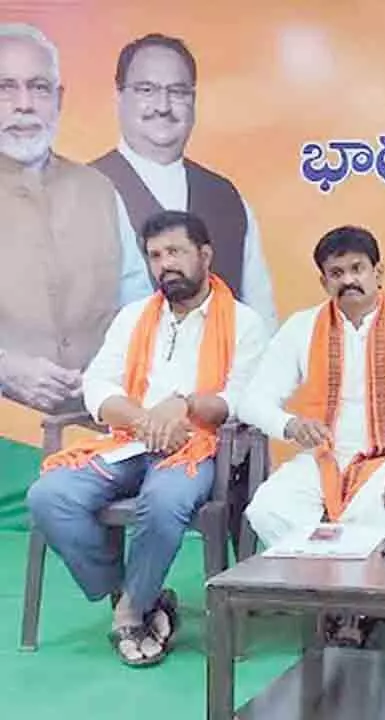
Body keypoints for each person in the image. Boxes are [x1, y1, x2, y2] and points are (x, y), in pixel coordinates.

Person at [25, 210, 268, 667]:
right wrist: (142, 420)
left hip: (194, 448)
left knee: (163, 501)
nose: (165, 265)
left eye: (175, 252)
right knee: (48, 496)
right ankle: (135, 597)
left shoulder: (243, 322)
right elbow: (100, 384)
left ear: (205, 255)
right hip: (128, 440)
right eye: (155, 256)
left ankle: (131, 611)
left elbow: (239, 399)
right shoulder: (134, 317)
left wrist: (184, 405)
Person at [240, 225, 385, 642]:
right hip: (326, 454)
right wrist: (288, 424)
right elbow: (253, 400)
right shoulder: (302, 328)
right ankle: (344, 603)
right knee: (268, 509)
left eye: (357, 269)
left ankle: (343, 611)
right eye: (336, 273)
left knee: (371, 517)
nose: (348, 280)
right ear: (324, 281)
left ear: (379, 272)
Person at [92, 33, 277, 328]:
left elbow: (261, 316)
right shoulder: (84, 190)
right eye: (146, 90)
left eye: (178, 91)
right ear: (118, 97)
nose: (163, 106)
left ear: (194, 100)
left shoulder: (226, 198)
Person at [0, 23, 124, 412]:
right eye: (5, 87)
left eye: (39, 87)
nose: (24, 104)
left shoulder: (100, 190)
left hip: (98, 428)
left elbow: (140, 310)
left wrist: (109, 374)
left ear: (59, 99)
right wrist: (6, 370)